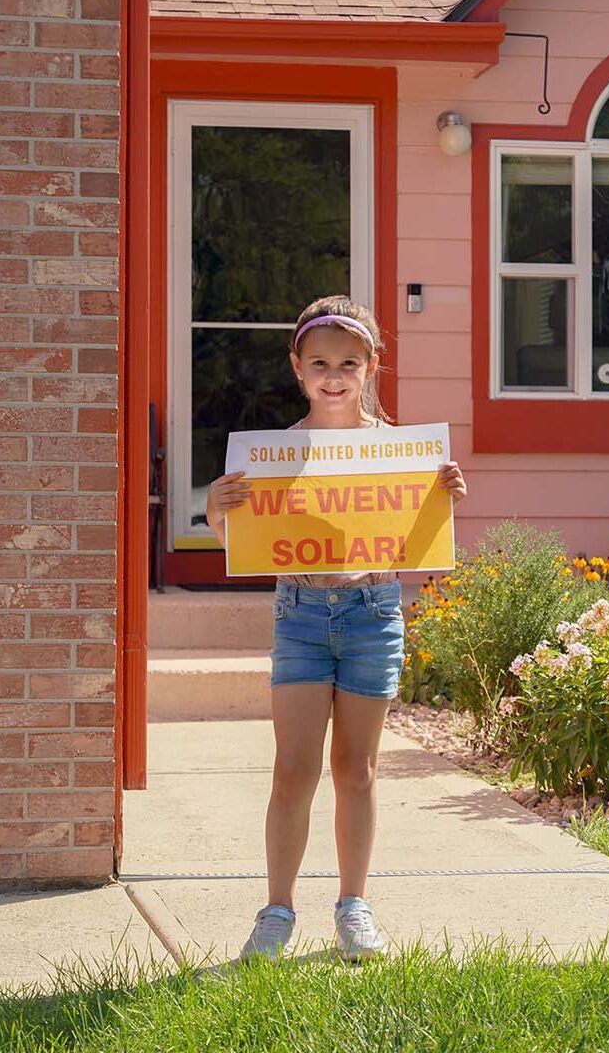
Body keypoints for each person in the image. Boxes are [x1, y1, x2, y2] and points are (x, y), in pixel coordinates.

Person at [205, 295, 467, 961]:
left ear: (372, 366)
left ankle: (354, 908)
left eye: (348, 362)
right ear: (297, 367)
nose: (333, 375)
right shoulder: (273, 454)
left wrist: (444, 494)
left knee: (358, 770)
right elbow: (238, 534)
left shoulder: (400, 453)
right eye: (319, 362)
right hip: (300, 617)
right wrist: (217, 508)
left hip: (373, 615)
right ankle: (277, 912)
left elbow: (418, 528)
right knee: (293, 773)